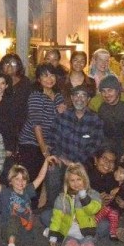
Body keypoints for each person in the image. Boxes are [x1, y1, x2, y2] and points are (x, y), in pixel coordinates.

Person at [45, 85, 105, 217]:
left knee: (83, 176)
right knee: (52, 169)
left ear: (88, 99)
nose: (79, 98)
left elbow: (95, 145)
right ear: (71, 98)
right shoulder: (62, 117)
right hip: (62, 160)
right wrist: (61, 158)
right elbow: (52, 140)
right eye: (76, 95)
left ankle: (78, 211)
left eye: (83, 95)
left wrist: (76, 163)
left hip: (83, 163)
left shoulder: (96, 120)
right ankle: (52, 207)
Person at [17, 63, 65, 184]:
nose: (49, 79)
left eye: (52, 75)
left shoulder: (58, 96)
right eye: (45, 76)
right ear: (38, 79)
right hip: (31, 142)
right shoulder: (36, 96)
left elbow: (61, 122)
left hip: (49, 143)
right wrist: (45, 152)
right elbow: (36, 125)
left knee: (49, 180)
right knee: (32, 180)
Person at [0, 159, 50, 246]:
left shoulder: (28, 190)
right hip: (9, 228)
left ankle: (13, 245)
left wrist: (46, 161)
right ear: (11, 181)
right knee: (14, 219)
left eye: (23, 179)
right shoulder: (6, 192)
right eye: (17, 179)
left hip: (24, 230)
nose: (21, 182)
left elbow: (40, 177)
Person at [46, 163, 102, 246]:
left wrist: (83, 196)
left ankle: (85, 242)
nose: (76, 183)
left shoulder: (93, 194)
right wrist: (53, 236)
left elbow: (92, 210)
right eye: (72, 180)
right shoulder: (61, 198)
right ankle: (59, 238)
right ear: (67, 182)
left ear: (84, 179)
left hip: (87, 233)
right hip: (69, 233)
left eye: (79, 179)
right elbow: (56, 219)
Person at [85, 148, 124, 241]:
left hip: (105, 216)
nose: (108, 163)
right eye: (104, 159)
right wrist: (98, 202)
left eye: (112, 161)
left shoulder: (115, 178)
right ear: (96, 160)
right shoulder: (87, 175)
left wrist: (120, 191)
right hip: (84, 213)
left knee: (105, 225)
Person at [90, 75, 124, 157]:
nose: (107, 94)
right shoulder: (100, 108)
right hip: (107, 148)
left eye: (110, 90)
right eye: (103, 91)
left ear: (117, 91)